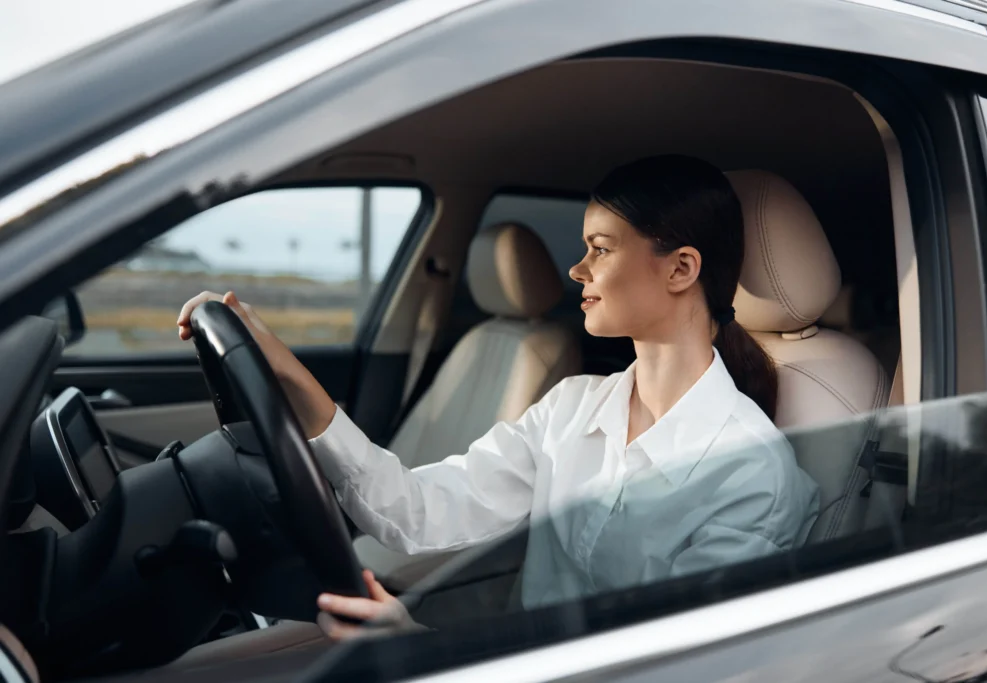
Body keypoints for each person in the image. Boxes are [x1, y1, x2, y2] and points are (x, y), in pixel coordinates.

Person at [177, 155, 820, 641]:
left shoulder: (749, 473)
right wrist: (287, 372)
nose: (577, 270)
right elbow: (416, 511)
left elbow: (673, 666)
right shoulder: (570, 408)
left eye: (599, 250)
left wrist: (418, 649)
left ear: (681, 269)